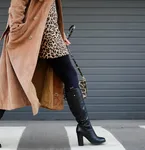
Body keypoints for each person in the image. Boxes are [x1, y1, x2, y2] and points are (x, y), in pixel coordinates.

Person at [0, 0, 106, 147]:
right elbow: (17, 5)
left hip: (48, 35)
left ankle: (85, 127)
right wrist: (17, 32)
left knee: (69, 76)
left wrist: (60, 34)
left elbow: (50, 10)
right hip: (31, 35)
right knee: (10, 84)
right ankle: (85, 127)